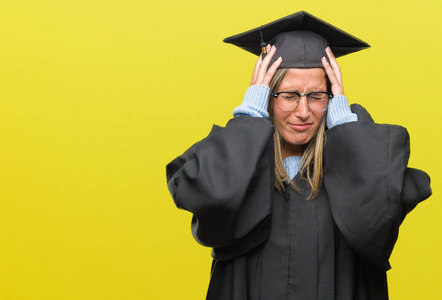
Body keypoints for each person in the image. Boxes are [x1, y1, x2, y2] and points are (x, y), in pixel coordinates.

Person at [166, 11, 432, 300]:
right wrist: (250, 115)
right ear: (266, 96)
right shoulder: (243, 163)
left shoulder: (351, 163)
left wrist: (344, 124)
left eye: (317, 96)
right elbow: (211, 196)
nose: (303, 112)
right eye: (289, 95)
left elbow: (381, 217)